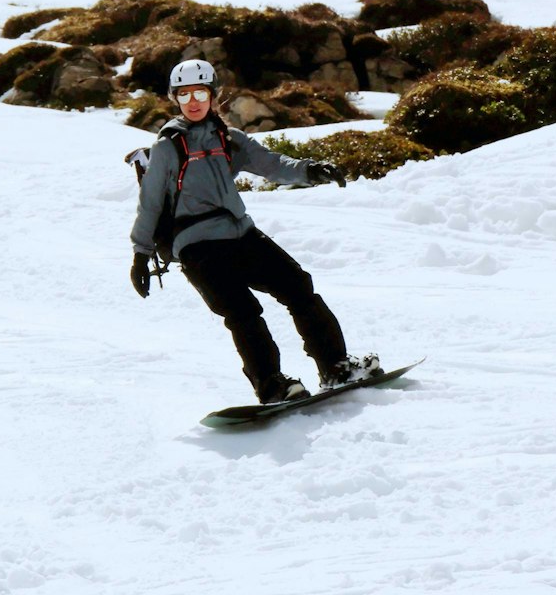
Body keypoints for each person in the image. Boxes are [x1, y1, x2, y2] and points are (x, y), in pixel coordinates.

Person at [129, 58, 378, 403]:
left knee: (298, 286)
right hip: (197, 246)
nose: (193, 101)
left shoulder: (229, 139)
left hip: (241, 234)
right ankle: (271, 384)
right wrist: (141, 254)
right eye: (184, 95)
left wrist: (310, 171)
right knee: (243, 312)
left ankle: (335, 367)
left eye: (199, 92)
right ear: (175, 100)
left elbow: (272, 164)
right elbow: (151, 202)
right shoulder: (167, 146)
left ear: (213, 94)